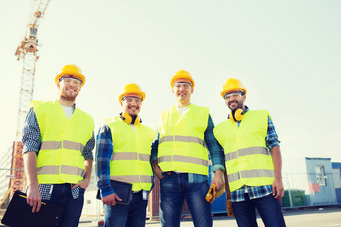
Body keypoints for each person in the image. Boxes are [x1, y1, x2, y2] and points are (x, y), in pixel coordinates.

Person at [22, 64, 95, 227]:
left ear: (80, 88)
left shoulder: (87, 119)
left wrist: (87, 179)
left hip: (74, 192)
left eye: (77, 82)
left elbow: (88, 152)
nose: (72, 85)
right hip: (44, 189)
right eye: (68, 80)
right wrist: (32, 185)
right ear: (58, 84)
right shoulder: (39, 109)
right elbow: (29, 147)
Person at [151, 70, 225, 227]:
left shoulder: (203, 113)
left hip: (197, 180)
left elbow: (214, 145)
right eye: (178, 86)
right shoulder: (163, 116)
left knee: (203, 224)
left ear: (192, 90)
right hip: (169, 179)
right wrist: (155, 167)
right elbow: (155, 146)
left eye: (186, 85)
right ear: (173, 90)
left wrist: (218, 173)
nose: (182, 89)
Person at [213, 78, 286, 227]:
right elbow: (225, 162)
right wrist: (228, 195)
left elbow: (275, 147)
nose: (231, 99)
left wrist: (278, 178)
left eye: (235, 94)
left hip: (265, 188)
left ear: (243, 96)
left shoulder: (262, 117)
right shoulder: (219, 130)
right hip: (238, 193)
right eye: (227, 96)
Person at [96, 83, 155, 227]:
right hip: (117, 195)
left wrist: (149, 186)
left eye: (138, 100)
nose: (134, 103)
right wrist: (105, 189)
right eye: (129, 99)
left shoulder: (148, 132)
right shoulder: (109, 126)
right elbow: (101, 160)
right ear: (121, 102)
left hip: (141, 196)